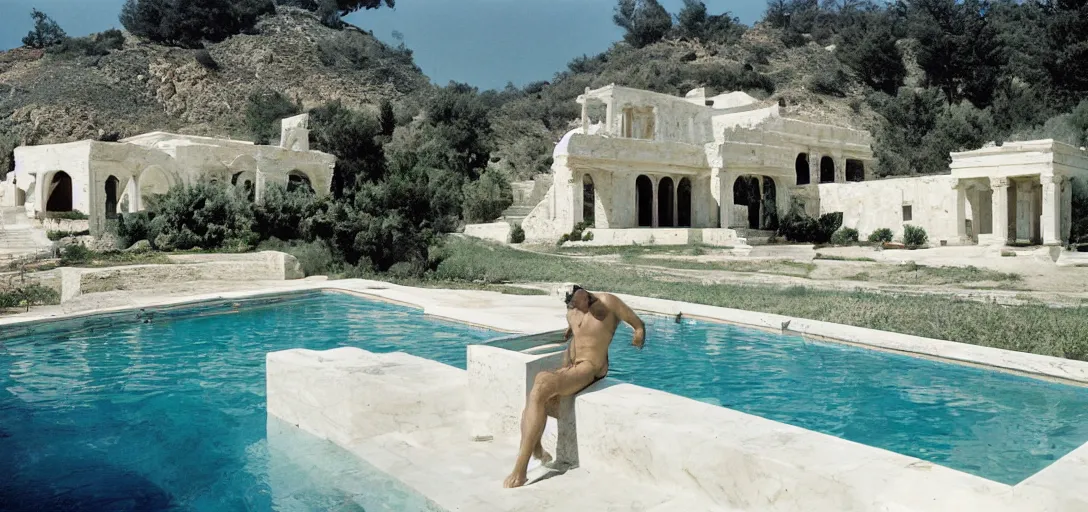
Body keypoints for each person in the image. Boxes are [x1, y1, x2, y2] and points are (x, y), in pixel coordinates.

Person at [503, 285, 645, 488]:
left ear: (587, 296)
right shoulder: (572, 311)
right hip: (573, 365)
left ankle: (521, 468)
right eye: (571, 305)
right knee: (539, 388)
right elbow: (576, 337)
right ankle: (536, 448)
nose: (575, 309)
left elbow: (638, 324)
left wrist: (638, 334)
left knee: (542, 381)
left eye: (579, 303)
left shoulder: (608, 303)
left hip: (592, 367)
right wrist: (566, 359)